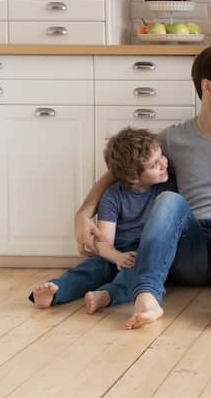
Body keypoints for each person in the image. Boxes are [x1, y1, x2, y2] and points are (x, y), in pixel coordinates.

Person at [74, 45, 211, 329]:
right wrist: (83, 214)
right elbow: (123, 170)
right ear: (207, 87)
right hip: (189, 249)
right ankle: (148, 297)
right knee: (169, 200)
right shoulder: (174, 138)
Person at [30, 127, 174, 312]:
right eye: (155, 164)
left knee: (139, 271)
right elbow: (103, 242)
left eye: (162, 155)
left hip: (145, 250)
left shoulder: (168, 187)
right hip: (116, 251)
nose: (164, 163)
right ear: (132, 177)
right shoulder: (112, 197)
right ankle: (53, 292)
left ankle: (107, 295)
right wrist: (117, 257)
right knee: (90, 269)